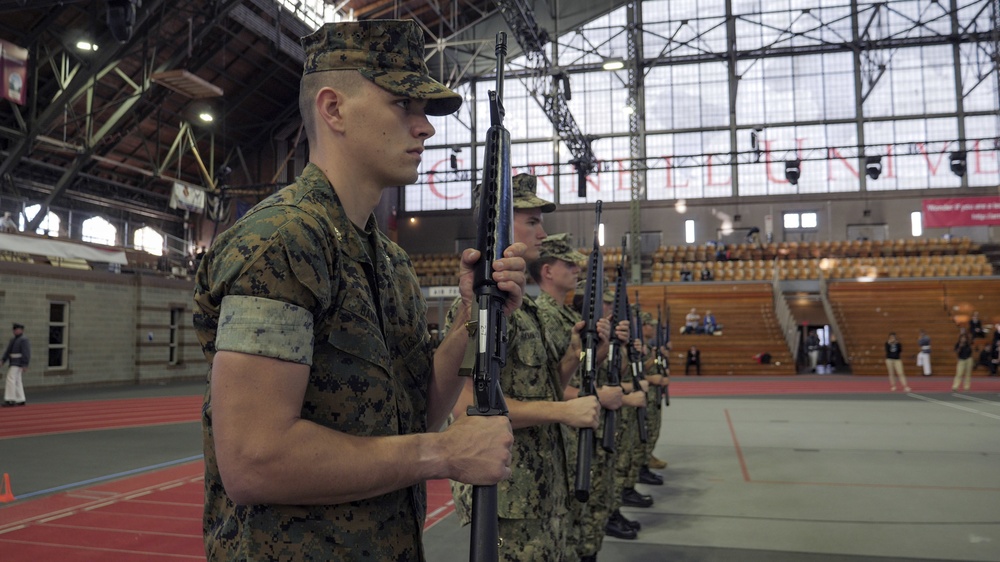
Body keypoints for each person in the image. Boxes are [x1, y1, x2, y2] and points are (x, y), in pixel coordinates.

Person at [192, 20, 525, 561]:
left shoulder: (388, 261)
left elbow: (416, 410)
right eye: (403, 105)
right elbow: (255, 460)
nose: (426, 129)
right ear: (334, 108)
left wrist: (472, 313)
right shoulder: (282, 240)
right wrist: (441, 454)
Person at [448, 175, 600, 562]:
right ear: (498, 224)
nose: (541, 232)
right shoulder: (481, 308)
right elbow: (467, 406)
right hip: (509, 497)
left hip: (544, 485)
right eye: (531, 221)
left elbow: (543, 386)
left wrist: (571, 357)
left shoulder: (524, 308)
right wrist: (564, 411)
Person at [531, 233, 629, 561]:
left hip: (573, 434)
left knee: (578, 523)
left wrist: (606, 347)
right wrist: (597, 396)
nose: (577, 269)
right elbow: (545, 387)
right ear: (547, 271)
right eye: (569, 263)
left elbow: (581, 371)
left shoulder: (569, 318)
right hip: (557, 434)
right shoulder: (540, 315)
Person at [2, 323, 30, 407]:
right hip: (13, 361)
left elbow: (26, 353)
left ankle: (10, 399)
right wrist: (3, 360)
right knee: (17, 381)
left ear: (21, 330)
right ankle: (20, 398)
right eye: (14, 329)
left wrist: (25, 364)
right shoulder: (13, 340)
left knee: (11, 379)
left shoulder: (24, 340)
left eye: (17, 329)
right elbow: (8, 351)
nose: (15, 331)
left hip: (18, 362)